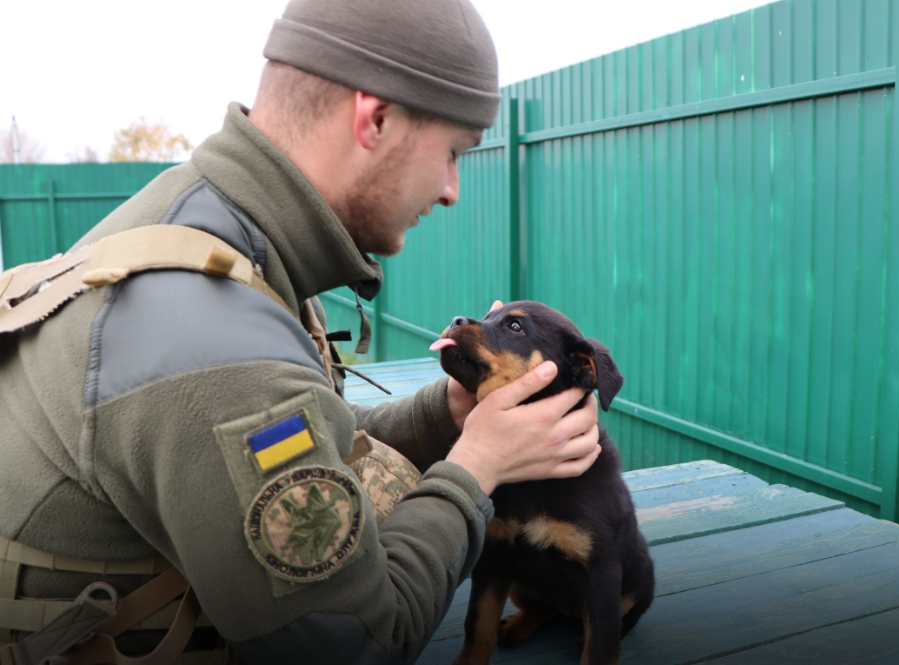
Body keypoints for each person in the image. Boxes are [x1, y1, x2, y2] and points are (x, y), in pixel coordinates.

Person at [0, 0, 601, 663]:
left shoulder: (204, 225)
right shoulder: (216, 337)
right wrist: (478, 466)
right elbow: (354, 642)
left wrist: (449, 415)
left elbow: (309, 430)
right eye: (454, 152)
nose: (452, 189)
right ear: (375, 119)